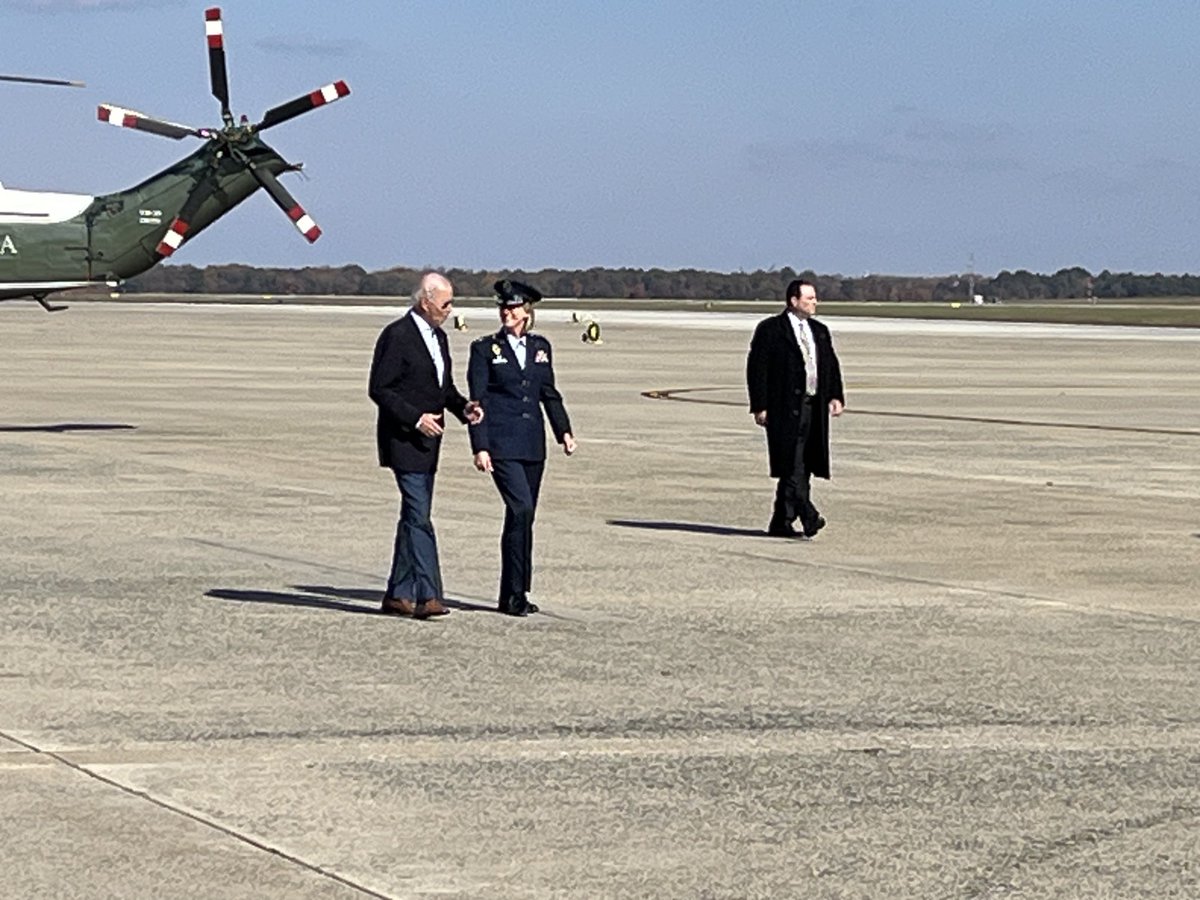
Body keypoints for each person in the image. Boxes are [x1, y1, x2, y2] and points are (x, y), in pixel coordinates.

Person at [369, 271, 482, 620]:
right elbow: (380, 388)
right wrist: (415, 418)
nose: (450, 309)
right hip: (403, 440)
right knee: (420, 517)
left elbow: (442, 388)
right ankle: (428, 594)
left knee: (412, 517)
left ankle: (398, 595)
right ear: (425, 301)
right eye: (445, 303)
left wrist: (463, 407)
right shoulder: (397, 336)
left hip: (429, 444)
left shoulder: (440, 338)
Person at [467, 279, 576, 616]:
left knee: (523, 520)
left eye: (512, 308)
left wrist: (564, 431)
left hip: (532, 445)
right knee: (521, 509)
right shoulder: (485, 349)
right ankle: (513, 593)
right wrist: (480, 446)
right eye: (503, 307)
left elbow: (549, 393)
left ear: (527, 312)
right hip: (501, 445)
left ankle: (516, 592)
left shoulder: (540, 348)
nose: (506, 312)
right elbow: (477, 402)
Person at [746, 278, 845, 539]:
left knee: (806, 464)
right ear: (794, 301)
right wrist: (760, 405)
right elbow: (757, 369)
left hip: (813, 407)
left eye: (815, 298)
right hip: (783, 408)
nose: (815, 303)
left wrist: (836, 395)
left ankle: (782, 521)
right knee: (791, 465)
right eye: (810, 299)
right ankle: (808, 514)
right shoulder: (770, 329)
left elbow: (830, 365)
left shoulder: (820, 330)